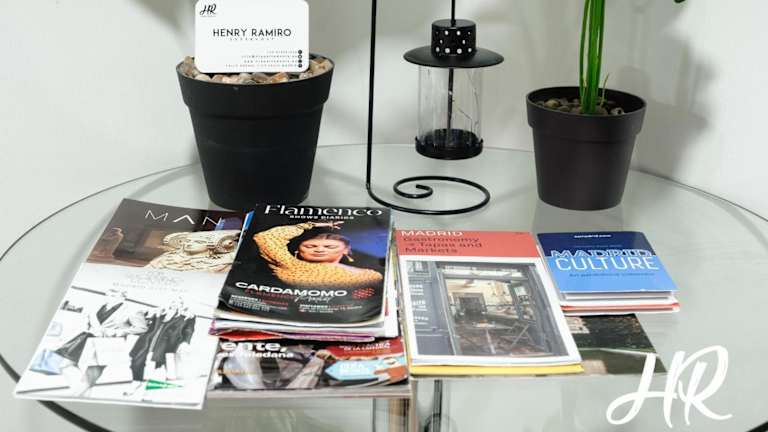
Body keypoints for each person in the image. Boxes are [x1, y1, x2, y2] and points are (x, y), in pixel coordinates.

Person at [54, 289, 147, 395]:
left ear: (123, 298)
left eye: (114, 295)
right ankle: (81, 390)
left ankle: (77, 395)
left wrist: (118, 332)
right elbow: (89, 322)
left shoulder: (132, 310)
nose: (109, 297)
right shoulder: (97, 306)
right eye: (107, 295)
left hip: (109, 343)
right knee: (65, 365)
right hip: (87, 339)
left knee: (91, 376)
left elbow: (142, 328)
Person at [253, 221, 383, 289]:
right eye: (310, 246)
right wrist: (309, 225)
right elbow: (265, 237)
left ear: (346, 250)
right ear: (298, 249)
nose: (319, 250)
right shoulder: (289, 264)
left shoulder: (368, 275)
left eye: (330, 247)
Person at [146, 230, 240, 272]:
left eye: (198, 242)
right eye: (187, 241)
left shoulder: (222, 263)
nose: (189, 244)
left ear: (211, 244)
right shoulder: (167, 258)